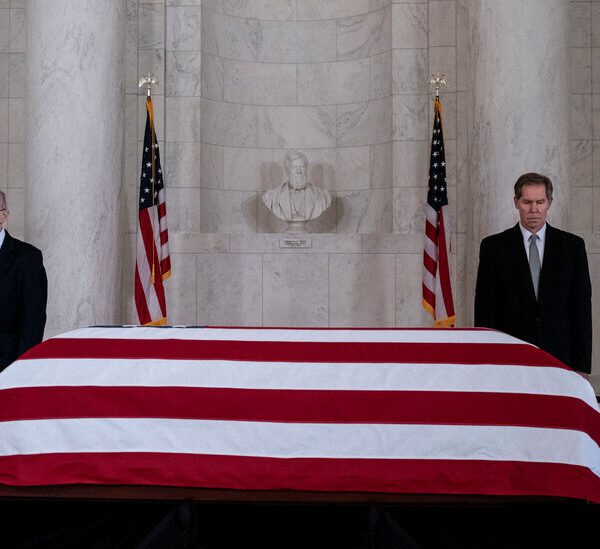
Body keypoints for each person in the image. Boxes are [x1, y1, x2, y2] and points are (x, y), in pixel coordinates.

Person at [474, 173, 592, 374]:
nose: (534, 210)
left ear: (549, 203)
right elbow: (485, 310)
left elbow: (581, 310)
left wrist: (581, 367)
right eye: (527, 202)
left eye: (540, 202)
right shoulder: (493, 247)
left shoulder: (572, 247)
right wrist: (487, 362)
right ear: (516, 202)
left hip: (560, 358)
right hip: (510, 358)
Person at [0, 191, 47, 371]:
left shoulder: (28, 258)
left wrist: (20, 370)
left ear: (3, 215)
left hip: (7, 369)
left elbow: (33, 322)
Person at [262, 151, 331, 222]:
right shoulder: (272, 196)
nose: (299, 171)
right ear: (287, 170)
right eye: (294, 167)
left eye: (302, 167)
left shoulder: (322, 196)